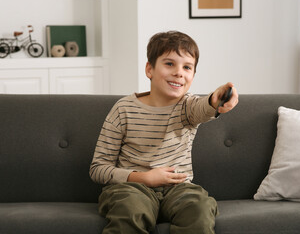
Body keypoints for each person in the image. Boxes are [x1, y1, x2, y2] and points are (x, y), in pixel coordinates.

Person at [89, 30, 238, 234]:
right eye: (169, 64)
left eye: (187, 67)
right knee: (130, 210)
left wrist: (215, 99)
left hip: (179, 190)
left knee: (200, 207)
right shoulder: (123, 109)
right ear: (149, 69)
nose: (179, 72)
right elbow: (98, 168)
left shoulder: (187, 106)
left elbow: (204, 107)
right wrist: (144, 178)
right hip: (131, 189)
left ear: (193, 76)